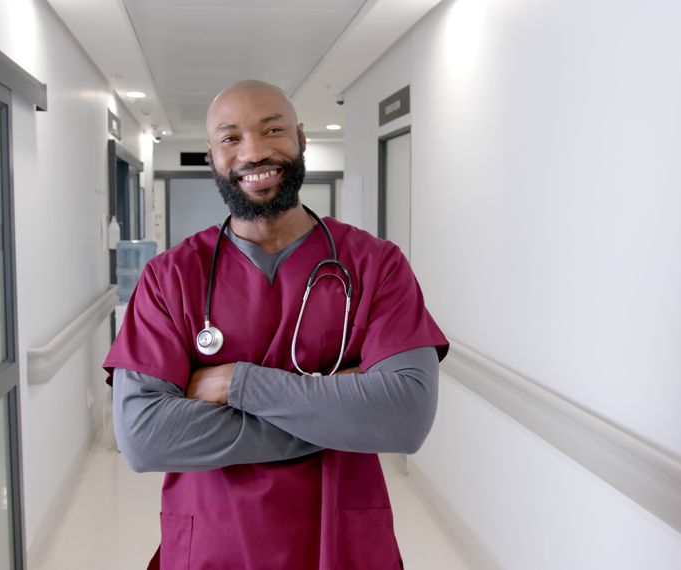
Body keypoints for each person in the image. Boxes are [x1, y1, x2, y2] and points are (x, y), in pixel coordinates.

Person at [103, 79, 448, 570]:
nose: (255, 152)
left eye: (273, 130)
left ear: (301, 138)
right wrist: (340, 409)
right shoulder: (171, 276)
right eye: (231, 138)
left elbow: (405, 416)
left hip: (339, 544)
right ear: (212, 155)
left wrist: (240, 383)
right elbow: (144, 437)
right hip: (213, 546)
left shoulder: (376, 264)